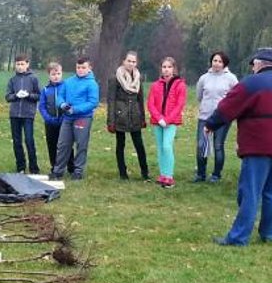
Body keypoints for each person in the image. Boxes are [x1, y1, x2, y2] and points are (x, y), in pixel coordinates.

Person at [205, 47, 272, 246]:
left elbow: (227, 107)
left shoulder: (251, 83)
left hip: (258, 145)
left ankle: (239, 237)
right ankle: (270, 234)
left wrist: (211, 124)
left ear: (258, 64)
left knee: (250, 191)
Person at [51, 57, 99, 180]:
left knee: (81, 144)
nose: (80, 70)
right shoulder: (68, 81)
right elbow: (60, 96)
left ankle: (78, 171)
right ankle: (58, 171)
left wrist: (76, 109)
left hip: (82, 118)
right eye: (78, 67)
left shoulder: (92, 84)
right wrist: (62, 104)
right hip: (67, 118)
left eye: (83, 67)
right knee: (63, 144)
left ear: (89, 68)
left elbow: (92, 102)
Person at [194, 51, 238, 183]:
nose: (217, 63)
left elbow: (236, 97)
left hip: (222, 117)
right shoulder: (204, 78)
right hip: (205, 116)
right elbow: (199, 95)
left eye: (219, 61)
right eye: (215, 60)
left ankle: (216, 175)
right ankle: (201, 174)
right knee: (202, 145)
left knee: (218, 145)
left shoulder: (231, 78)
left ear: (224, 63)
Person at [106, 51, 149, 181]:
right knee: (120, 145)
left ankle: (145, 172)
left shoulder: (138, 78)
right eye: (128, 61)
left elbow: (140, 99)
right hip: (120, 116)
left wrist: (142, 117)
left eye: (133, 61)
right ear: (123, 61)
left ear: (136, 63)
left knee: (139, 145)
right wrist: (111, 121)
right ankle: (122, 173)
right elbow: (111, 100)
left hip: (135, 116)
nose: (131, 63)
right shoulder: (115, 78)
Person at [146, 57, 187, 188]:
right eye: (164, 67)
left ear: (174, 69)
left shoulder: (180, 85)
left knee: (166, 146)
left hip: (171, 121)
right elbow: (150, 104)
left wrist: (167, 120)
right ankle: (163, 174)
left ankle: (169, 176)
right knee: (160, 148)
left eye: (169, 67)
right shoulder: (155, 85)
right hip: (157, 121)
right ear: (161, 69)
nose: (166, 69)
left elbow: (180, 105)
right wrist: (159, 118)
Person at [5, 54, 41, 173]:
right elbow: (7, 96)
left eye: (22, 64)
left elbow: (39, 95)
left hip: (28, 114)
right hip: (14, 114)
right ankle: (20, 166)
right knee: (17, 141)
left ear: (27, 64)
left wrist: (29, 95)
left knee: (29, 140)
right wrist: (15, 95)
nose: (20, 67)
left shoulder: (33, 78)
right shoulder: (12, 80)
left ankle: (33, 167)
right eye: (18, 64)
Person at [38, 62, 69, 176]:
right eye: (53, 74)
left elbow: (68, 103)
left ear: (62, 74)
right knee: (52, 144)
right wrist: (48, 118)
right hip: (50, 122)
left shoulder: (66, 87)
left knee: (66, 145)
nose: (56, 76)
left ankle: (70, 166)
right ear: (49, 75)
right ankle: (54, 166)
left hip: (64, 122)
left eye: (58, 73)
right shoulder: (46, 90)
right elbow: (41, 106)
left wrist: (63, 117)